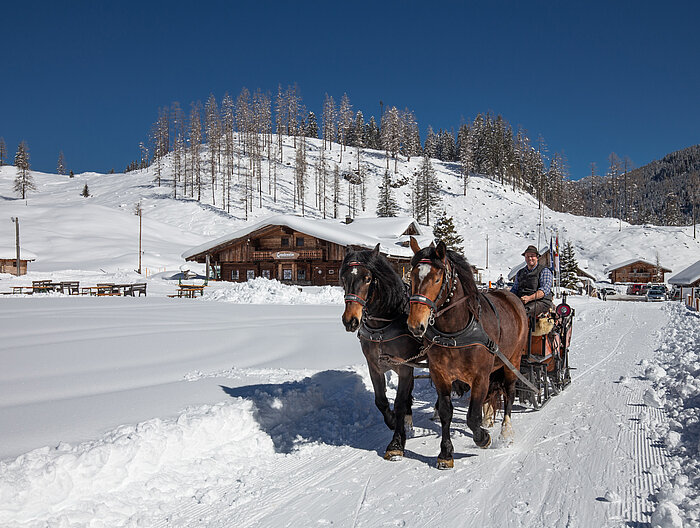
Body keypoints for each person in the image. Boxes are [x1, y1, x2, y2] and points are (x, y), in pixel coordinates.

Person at [510, 245, 554, 319]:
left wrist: (529, 298)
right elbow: (515, 289)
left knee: (523, 312)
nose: (530, 258)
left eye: (532, 256)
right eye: (527, 256)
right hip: (522, 301)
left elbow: (544, 290)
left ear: (537, 257)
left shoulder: (544, 271)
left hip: (541, 302)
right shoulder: (520, 272)